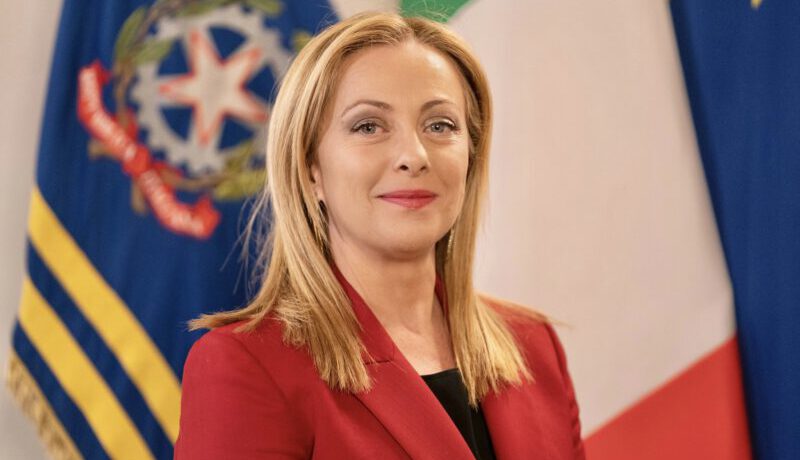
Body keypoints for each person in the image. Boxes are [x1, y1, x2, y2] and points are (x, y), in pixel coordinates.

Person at [175, 11, 585, 460]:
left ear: (471, 155)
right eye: (368, 126)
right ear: (311, 169)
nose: (414, 155)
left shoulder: (535, 346)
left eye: (440, 125)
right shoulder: (247, 365)